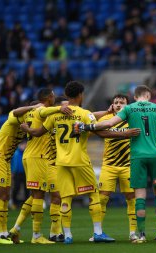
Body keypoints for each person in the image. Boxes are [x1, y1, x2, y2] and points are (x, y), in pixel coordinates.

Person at [72, 85, 156, 243]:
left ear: (135, 97)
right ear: (149, 96)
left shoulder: (129, 109)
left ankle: (141, 235)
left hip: (137, 158)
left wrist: (85, 127)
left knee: (139, 196)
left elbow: (108, 124)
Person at [21, 81, 125, 244]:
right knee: (93, 194)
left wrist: (27, 129)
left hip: (61, 162)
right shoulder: (84, 113)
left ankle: (68, 236)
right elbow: (102, 133)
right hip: (80, 161)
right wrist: (126, 134)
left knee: (66, 198)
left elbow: (38, 132)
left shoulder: (55, 115)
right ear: (80, 95)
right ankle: (98, 232)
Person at [9, 89, 69, 244]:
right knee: (39, 195)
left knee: (49, 194)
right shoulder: (41, 110)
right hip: (38, 158)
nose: (55, 97)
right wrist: (59, 108)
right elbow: (43, 111)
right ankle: (36, 236)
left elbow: (15, 113)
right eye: (53, 95)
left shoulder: (32, 113)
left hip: (41, 158)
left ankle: (17, 228)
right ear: (48, 97)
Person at [0, 103, 44, 244]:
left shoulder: (27, 125)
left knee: (6, 195)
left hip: (5, 159)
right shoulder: (16, 117)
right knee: (0, 194)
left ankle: (4, 233)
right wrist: (33, 107)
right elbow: (15, 111)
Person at [94, 94, 138, 242]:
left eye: (122, 102)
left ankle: (133, 233)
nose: (119, 105)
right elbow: (98, 131)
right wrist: (124, 134)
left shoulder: (133, 119)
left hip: (128, 166)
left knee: (131, 200)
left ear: (128, 105)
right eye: (116, 102)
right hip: (109, 165)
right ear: (112, 105)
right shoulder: (105, 120)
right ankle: (97, 232)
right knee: (102, 199)